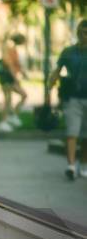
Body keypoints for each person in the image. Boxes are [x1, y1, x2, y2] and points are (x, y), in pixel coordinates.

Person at [48, 19, 87, 180]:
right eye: (84, 33)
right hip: (72, 99)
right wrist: (49, 88)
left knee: (86, 135)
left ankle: (84, 165)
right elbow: (57, 71)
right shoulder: (68, 52)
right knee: (72, 132)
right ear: (78, 33)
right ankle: (70, 166)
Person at [0, 33, 28, 132]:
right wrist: (15, 78)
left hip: (10, 76)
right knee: (7, 99)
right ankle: (3, 121)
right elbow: (9, 64)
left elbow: (16, 63)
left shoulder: (13, 48)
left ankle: (13, 115)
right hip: (7, 76)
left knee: (23, 95)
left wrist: (23, 73)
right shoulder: (9, 47)